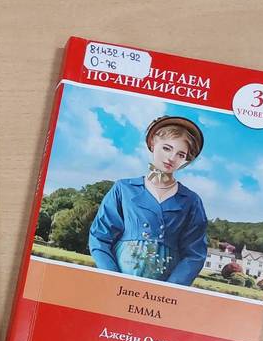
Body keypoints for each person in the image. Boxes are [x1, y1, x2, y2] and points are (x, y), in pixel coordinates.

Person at [88, 115, 207, 286]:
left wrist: (170, 288)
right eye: (167, 148)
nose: (171, 158)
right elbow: (100, 237)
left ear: (186, 160)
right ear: (152, 143)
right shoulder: (124, 188)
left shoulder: (191, 201)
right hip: (116, 283)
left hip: (162, 291)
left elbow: (195, 254)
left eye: (180, 154)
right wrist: (112, 278)